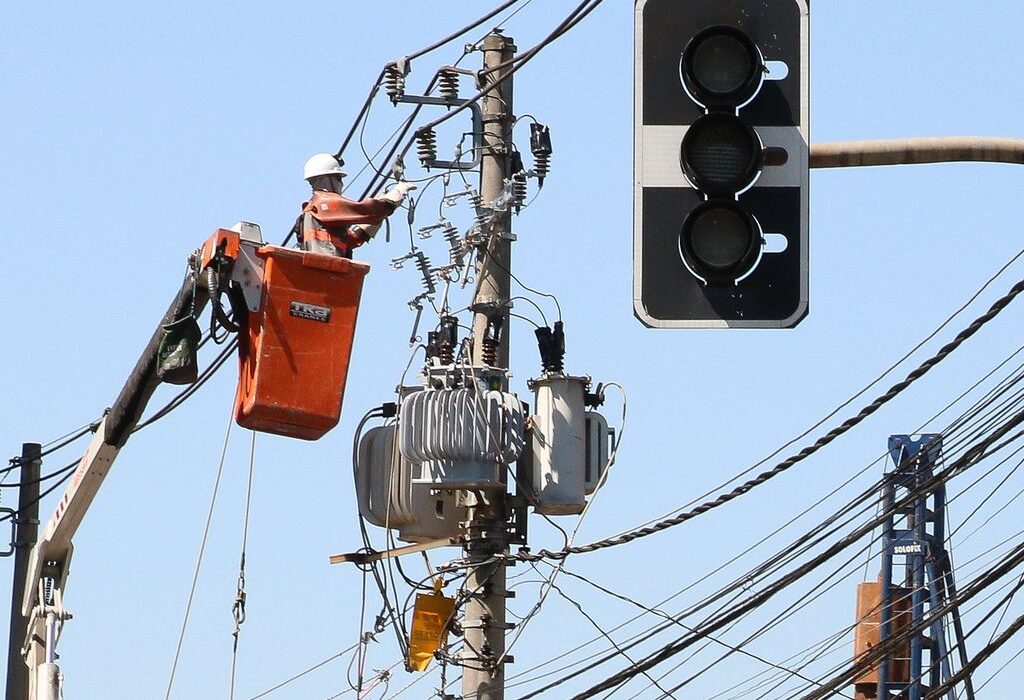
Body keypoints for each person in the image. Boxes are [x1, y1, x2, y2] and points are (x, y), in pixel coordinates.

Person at [299, 153, 415, 257]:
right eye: (338, 178)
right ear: (324, 179)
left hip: (325, 269)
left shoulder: (312, 210)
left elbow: (351, 240)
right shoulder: (324, 202)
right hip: (327, 268)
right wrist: (397, 193)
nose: (341, 183)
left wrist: (378, 214)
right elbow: (370, 212)